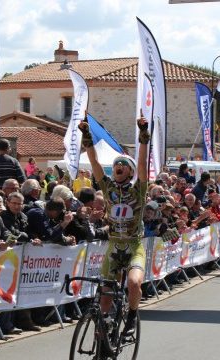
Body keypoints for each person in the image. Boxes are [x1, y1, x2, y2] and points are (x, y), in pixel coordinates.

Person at [79, 113, 149, 338]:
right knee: (105, 296)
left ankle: (131, 316)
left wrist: (143, 135)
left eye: (122, 164)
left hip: (133, 246)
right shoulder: (107, 187)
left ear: (129, 172)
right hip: (114, 246)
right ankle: (104, 329)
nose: (118, 166)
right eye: (116, 164)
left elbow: (141, 163)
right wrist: (86, 135)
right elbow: (94, 161)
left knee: (133, 283)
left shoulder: (138, 190)